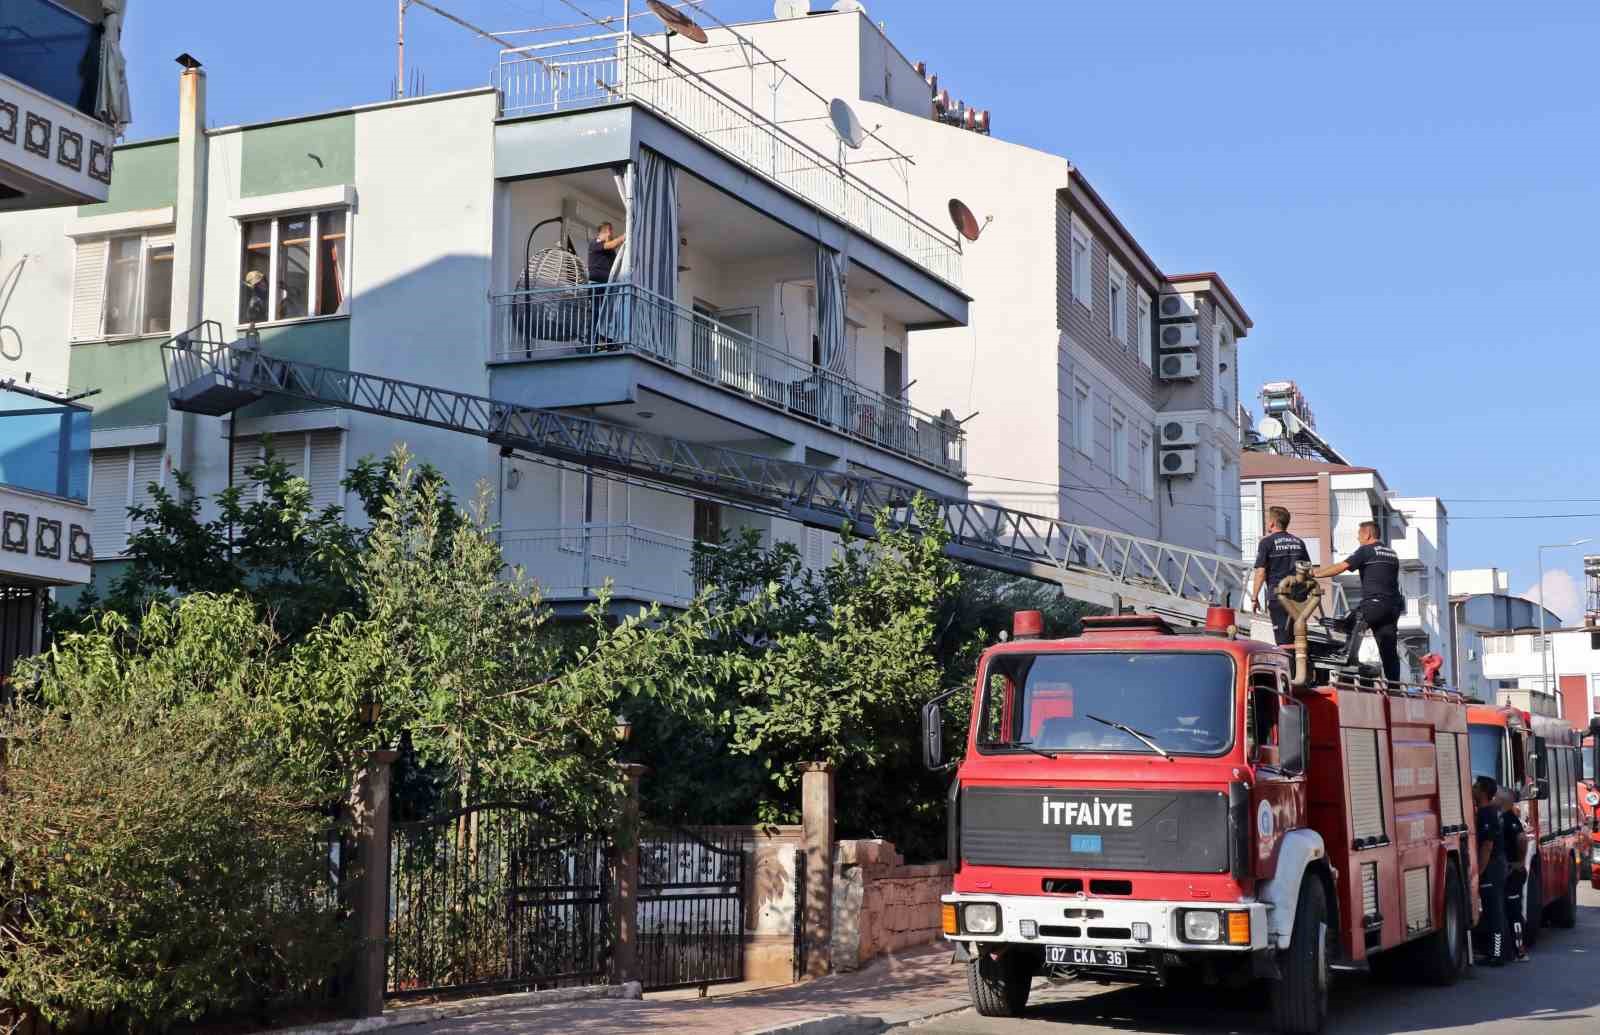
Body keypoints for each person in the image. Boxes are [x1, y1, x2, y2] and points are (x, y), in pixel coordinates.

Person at [1313, 520, 1403, 684]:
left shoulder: (1366, 550)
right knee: (1388, 650)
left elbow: (1342, 566)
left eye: (1359, 534)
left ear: (1368, 534)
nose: (1357, 538)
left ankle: (1346, 655)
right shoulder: (1392, 553)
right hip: (1393, 607)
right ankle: (1394, 686)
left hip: (1374, 603)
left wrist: (1316, 574)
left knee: (1354, 620)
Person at [1251, 505, 1312, 646]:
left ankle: (1289, 667)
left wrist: (1254, 597)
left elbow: (1261, 572)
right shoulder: (1299, 542)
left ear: (1272, 523)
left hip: (1279, 597)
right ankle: (1299, 666)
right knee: (1298, 637)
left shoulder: (1267, 542)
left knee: (1283, 641)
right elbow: (1307, 569)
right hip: (1299, 598)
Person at [1472, 776, 1508, 967]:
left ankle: (1496, 955)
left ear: (1484, 791)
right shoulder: (1488, 811)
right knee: (1493, 910)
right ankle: (1500, 951)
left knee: (1493, 912)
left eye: (1476, 786)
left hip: (1492, 867)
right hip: (1496, 865)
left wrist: (1478, 872)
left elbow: (1487, 846)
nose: (1472, 788)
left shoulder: (1486, 814)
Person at [1498, 788, 1531, 962]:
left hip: (1513, 873)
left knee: (1514, 911)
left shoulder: (1509, 819)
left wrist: (1519, 862)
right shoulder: (1502, 817)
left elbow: (1522, 839)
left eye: (1497, 796)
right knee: (1507, 910)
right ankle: (1508, 950)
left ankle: (1520, 950)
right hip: (1508, 871)